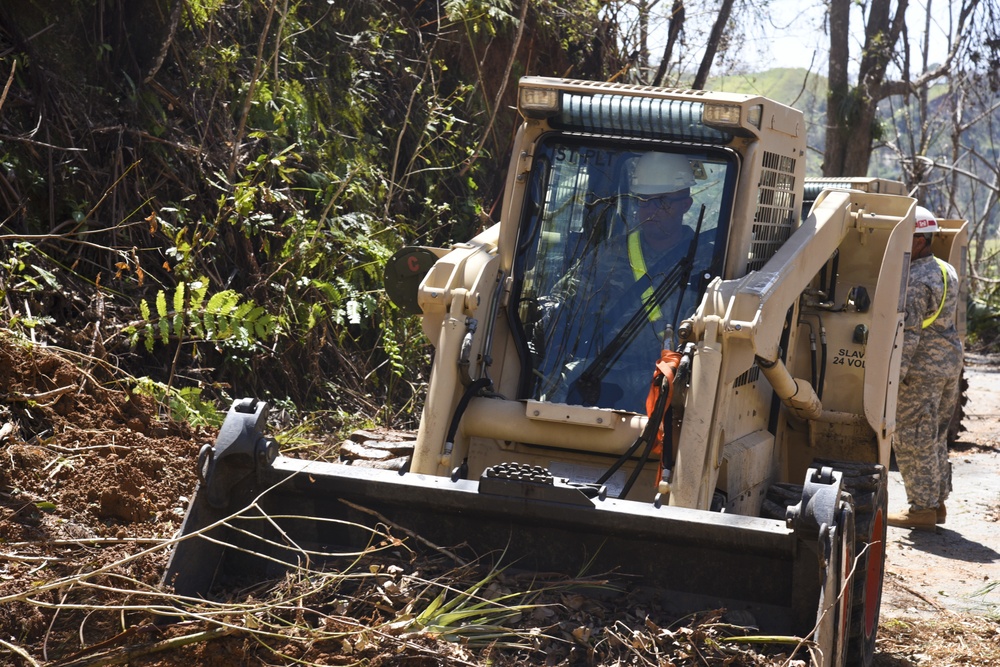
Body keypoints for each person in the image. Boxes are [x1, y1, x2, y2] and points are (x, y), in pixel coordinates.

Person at [533, 151, 708, 412]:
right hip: (605, 375)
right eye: (643, 201)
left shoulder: (706, 260)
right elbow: (567, 297)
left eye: (662, 202)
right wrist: (541, 319)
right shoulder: (610, 254)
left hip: (673, 383)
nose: (651, 211)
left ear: (687, 204)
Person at [888, 205, 964, 530]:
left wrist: (894, 378)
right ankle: (937, 502)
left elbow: (909, 335)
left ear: (919, 240)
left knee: (911, 436)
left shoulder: (916, 280)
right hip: (949, 364)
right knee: (934, 435)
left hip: (921, 371)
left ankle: (920, 511)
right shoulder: (947, 270)